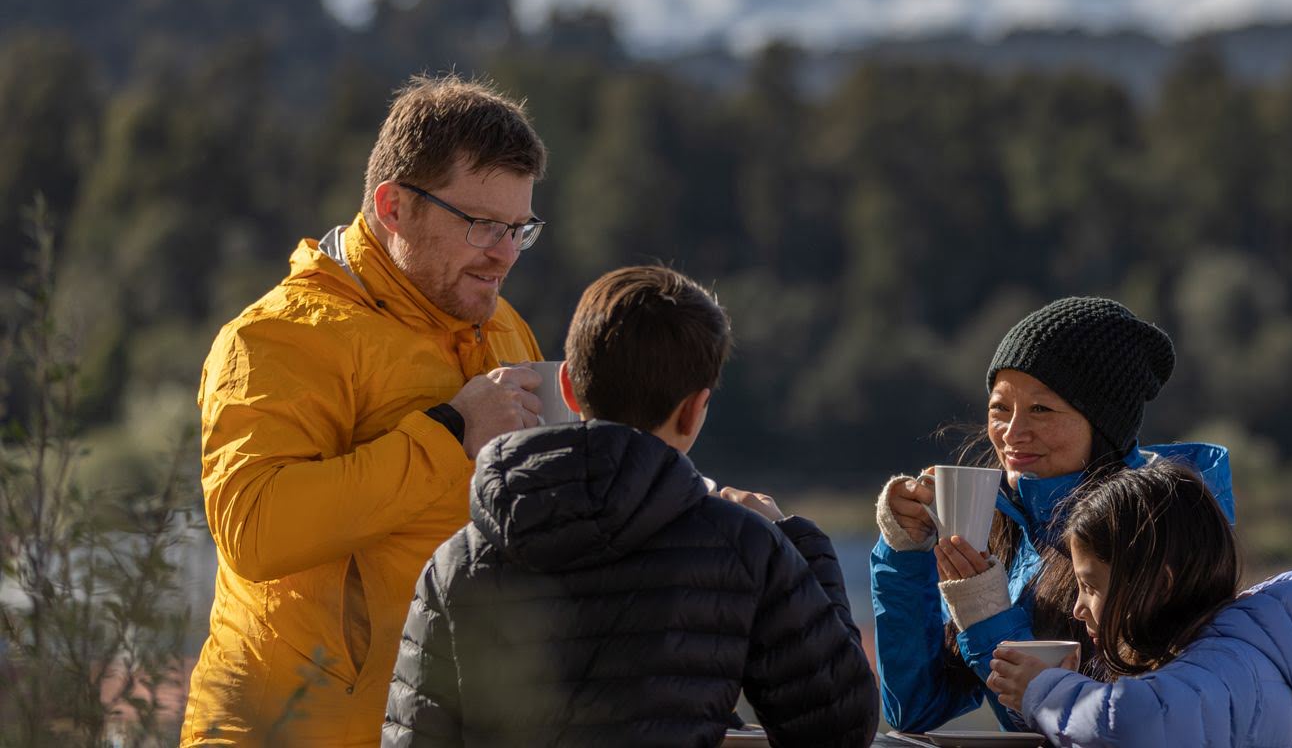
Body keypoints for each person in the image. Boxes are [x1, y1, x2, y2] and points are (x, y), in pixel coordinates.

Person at [183, 75, 555, 746]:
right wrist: (450, 432)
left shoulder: (505, 330)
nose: (503, 253)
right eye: (480, 225)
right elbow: (255, 530)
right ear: (393, 207)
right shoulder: (276, 338)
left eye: (517, 229)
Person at [382, 265, 879, 747]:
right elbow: (838, 729)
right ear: (694, 410)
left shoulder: (457, 561)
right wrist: (796, 546)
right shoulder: (741, 547)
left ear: (569, 389)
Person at [870, 296, 1236, 732]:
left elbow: (1113, 726)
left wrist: (985, 612)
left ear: (1104, 424)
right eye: (999, 408)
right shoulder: (1008, 524)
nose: (1012, 432)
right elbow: (915, 708)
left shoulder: (1158, 532)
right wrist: (905, 553)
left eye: (1041, 409)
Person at [985, 460, 1292, 747]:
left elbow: (1132, 723)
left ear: (1160, 585)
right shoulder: (1222, 662)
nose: (1079, 607)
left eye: (1090, 585)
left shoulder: (1227, 668)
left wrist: (1044, 692)